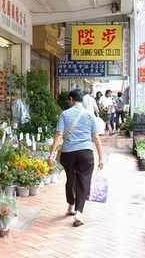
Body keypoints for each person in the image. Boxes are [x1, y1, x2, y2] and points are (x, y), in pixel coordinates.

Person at [48, 89, 104, 227]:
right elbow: (96, 137)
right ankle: (79, 212)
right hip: (86, 153)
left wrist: (52, 153)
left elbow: (59, 134)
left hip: (68, 154)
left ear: (72, 99)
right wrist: (101, 158)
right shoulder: (90, 115)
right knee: (83, 181)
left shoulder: (65, 114)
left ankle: (70, 205)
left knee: (70, 179)